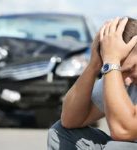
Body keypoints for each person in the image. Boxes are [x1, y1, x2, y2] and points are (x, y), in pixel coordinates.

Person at [47, 17, 137, 150]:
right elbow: (70, 120)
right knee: (60, 133)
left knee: (117, 148)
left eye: (131, 69)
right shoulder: (123, 77)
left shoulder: (115, 67)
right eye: (121, 72)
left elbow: (124, 131)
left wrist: (112, 61)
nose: (127, 81)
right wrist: (93, 65)